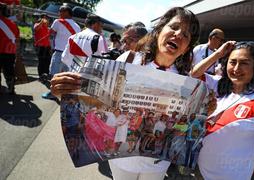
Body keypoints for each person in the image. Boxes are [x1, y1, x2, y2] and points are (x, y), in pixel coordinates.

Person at [50, 7, 201, 180]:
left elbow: (186, 123)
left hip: (157, 163)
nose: (179, 34)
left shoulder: (185, 81)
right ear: (159, 31)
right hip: (122, 158)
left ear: (186, 48)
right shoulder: (128, 59)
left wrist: (204, 110)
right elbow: (94, 101)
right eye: (174, 27)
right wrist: (64, 92)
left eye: (186, 35)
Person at [192, 41, 254, 180]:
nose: (236, 68)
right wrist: (218, 54)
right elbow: (195, 75)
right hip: (199, 172)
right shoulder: (219, 87)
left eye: (244, 63)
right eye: (232, 62)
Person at [42, 5, 80, 99]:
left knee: (55, 74)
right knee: (67, 76)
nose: (59, 13)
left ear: (66, 12)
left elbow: (50, 33)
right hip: (71, 55)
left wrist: (45, 25)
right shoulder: (77, 26)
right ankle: (66, 95)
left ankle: (53, 94)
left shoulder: (58, 21)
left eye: (60, 11)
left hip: (59, 53)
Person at [0, 2, 19, 94]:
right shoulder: (12, 24)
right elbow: (17, 38)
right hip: (10, 51)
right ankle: (11, 88)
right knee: (9, 70)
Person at [33, 13, 51, 82]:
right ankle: (41, 76)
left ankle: (45, 75)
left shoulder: (47, 27)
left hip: (47, 47)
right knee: (41, 62)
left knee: (47, 62)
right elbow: (36, 28)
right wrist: (41, 21)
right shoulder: (37, 24)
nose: (47, 20)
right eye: (46, 18)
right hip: (40, 46)